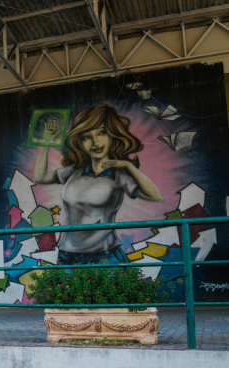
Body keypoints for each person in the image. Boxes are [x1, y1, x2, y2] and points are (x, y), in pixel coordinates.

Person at [33, 104, 164, 264]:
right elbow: (40, 178)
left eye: (101, 133)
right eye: (86, 136)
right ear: (79, 142)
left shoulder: (119, 174)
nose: (95, 142)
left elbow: (155, 196)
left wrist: (129, 167)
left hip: (105, 255)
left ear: (112, 135)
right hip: (68, 254)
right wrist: (47, 143)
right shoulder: (74, 171)